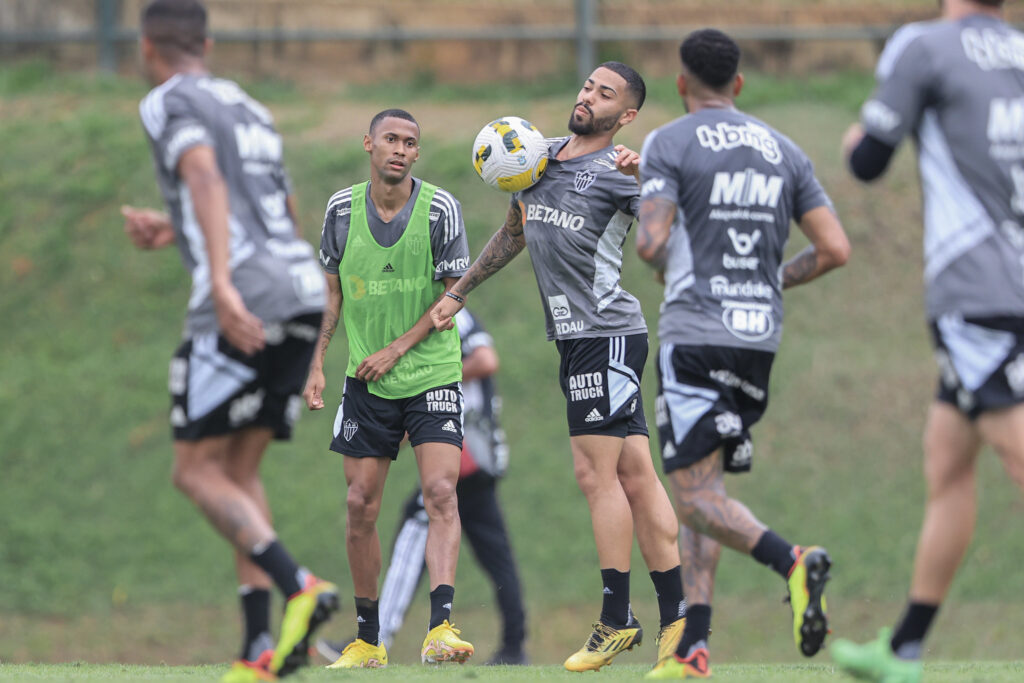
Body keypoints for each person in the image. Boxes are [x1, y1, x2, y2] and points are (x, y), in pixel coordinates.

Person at [431, 62, 687, 673]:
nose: (588, 97)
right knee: (634, 474)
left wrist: (648, 176)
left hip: (608, 333)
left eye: (606, 95)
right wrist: (460, 290)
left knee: (594, 474)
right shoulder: (533, 156)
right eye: (588, 86)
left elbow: (675, 226)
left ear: (626, 116)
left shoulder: (619, 173)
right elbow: (514, 232)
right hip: (576, 339)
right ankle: (680, 622)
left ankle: (617, 618)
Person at [122, 1, 340, 681]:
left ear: (148, 47)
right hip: (301, 286)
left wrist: (218, 279)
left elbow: (207, 176)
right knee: (239, 475)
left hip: (245, 296)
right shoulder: (248, 104)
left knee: (194, 469)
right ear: (208, 43)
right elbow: (276, 203)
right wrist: (176, 227)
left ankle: (300, 585)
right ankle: (258, 648)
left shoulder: (165, 99)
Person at [635, 28, 851, 679]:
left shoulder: (669, 141)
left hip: (696, 334)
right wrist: (771, 279)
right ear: (738, 84)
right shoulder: (783, 149)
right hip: (758, 338)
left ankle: (793, 559)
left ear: (681, 85)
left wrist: (673, 265)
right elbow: (836, 248)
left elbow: (651, 242)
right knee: (707, 486)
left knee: (694, 499)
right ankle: (693, 649)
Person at [831, 2, 1024, 681]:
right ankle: (907, 648)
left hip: (978, 287)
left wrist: (857, 137)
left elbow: (869, 161)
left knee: (1015, 451)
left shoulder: (926, 47)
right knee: (948, 460)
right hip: (1013, 279)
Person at [303, 108, 474, 667]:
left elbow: (453, 298)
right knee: (360, 505)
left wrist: (399, 347)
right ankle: (368, 639)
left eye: (410, 142)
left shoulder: (441, 209)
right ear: (369, 145)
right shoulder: (340, 210)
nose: (400, 149)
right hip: (365, 381)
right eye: (391, 139)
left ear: (418, 154)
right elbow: (331, 296)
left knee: (441, 493)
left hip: (431, 374)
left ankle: (441, 628)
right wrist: (318, 363)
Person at [316, 307, 528, 666]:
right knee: (496, 553)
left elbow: (486, 359)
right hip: (474, 453)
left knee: (416, 529)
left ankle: (376, 636)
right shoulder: (422, 315)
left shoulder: (452, 313)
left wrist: (435, 376)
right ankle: (514, 645)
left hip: (468, 450)